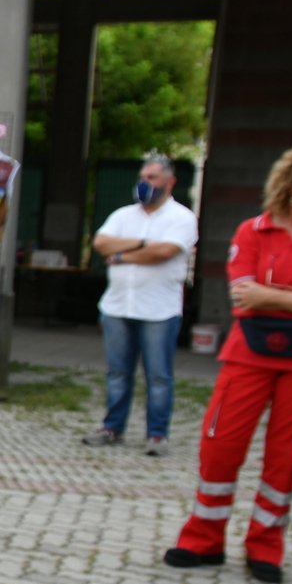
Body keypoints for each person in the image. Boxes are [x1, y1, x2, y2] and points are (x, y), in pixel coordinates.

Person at [166, 137, 292, 584]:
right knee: (221, 445)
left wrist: (272, 296)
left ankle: (266, 545)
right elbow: (241, 297)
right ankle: (203, 539)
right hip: (247, 357)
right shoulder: (251, 231)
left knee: (287, 457)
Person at [82, 154, 199, 454]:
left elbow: (166, 251)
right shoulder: (124, 215)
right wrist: (143, 243)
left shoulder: (182, 217)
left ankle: (157, 435)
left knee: (158, 375)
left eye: (152, 178)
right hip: (118, 307)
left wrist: (122, 255)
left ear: (170, 181)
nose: (144, 183)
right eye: (142, 177)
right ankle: (112, 427)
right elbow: (100, 243)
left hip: (159, 310)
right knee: (118, 373)